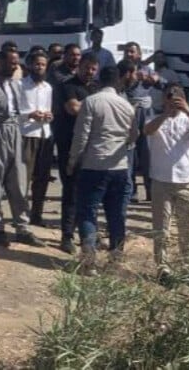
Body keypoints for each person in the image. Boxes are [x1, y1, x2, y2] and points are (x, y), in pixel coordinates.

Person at [67, 63, 138, 272]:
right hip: (119, 166)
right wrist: (124, 145)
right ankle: (115, 261)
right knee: (116, 215)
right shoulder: (126, 105)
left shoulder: (91, 102)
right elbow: (134, 135)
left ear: (99, 80)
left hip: (94, 165)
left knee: (88, 212)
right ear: (118, 81)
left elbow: (81, 136)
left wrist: (73, 161)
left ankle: (88, 262)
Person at [0, 50, 46, 248]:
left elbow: (19, 112)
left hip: (15, 131)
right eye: (11, 63)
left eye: (16, 63)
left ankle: (22, 227)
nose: (14, 67)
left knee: (19, 181)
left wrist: (31, 117)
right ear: (0, 62)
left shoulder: (17, 84)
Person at [145, 83, 189, 283]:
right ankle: (163, 268)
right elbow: (147, 130)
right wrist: (166, 113)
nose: (173, 100)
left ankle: (187, 266)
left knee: (187, 227)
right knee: (161, 228)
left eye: (177, 97)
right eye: (169, 97)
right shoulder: (155, 118)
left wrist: (188, 111)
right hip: (161, 180)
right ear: (163, 99)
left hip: (187, 180)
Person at [53, 52, 100, 254]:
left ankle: (88, 236)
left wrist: (87, 107)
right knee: (71, 191)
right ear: (79, 66)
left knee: (90, 194)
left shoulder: (95, 88)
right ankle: (67, 236)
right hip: (69, 145)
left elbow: (84, 108)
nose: (89, 72)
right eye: (87, 68)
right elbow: (73, 108)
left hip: (91, 147)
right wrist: (95, 108)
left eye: (93, 69)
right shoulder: (67, 85)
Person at [123, 42, 162, 203]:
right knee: (129, 151)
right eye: (127, 52)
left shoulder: (147, 70)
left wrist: (153, 78)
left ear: (139, 54)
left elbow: (159, 81)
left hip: (145, 113)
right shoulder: (122, 69)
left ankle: (150, 188)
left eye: (132, 52)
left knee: (147, 152)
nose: (129, 55)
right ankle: (131, 191)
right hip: (129, 110)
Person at [20, 51, 54, 227]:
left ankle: (37, 214)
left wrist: (49, 116)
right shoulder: (20, 85)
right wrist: (29, 115)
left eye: (43, 64)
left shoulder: (48, 87)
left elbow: (49, 110)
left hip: (44, 135)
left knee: (42, 177)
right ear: (30, 65)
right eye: (37, 64)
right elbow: (14, 113)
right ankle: (21, 216)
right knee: (24, 178)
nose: (40, 67)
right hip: (27, 134)